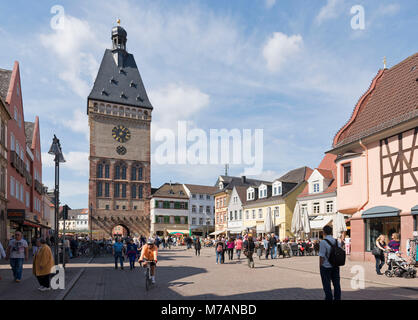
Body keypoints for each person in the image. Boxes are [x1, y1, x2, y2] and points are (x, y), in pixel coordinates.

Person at [319, 225, 341, 300]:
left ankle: (329, 298)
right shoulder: (337, 241)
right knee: (336, 284)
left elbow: (321, 256)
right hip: (336, 265)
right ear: (331, 232)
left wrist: (320, 266)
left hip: (326, 266)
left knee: (326, 284)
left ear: (324, 232)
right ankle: (337, 298)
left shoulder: (323, 242)